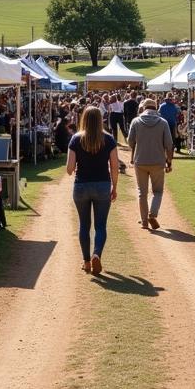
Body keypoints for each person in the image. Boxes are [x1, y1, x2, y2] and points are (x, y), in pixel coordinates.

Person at [66, 106, 119, 275]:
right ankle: (97, 253)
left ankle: (87, 262)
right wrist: (115, 186)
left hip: (81, 185)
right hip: (102, 184)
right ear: (100, 119)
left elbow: (69, 168)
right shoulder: (109, 139)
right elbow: (115, 166)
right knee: (101, 226)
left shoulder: (75, 139)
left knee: (84, 225)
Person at [127, 97, 173, 230]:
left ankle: (144, 221)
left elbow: (130, 141)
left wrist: (137, 148)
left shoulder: (136, 121)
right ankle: (152, 214)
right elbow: (169, 144)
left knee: (142, 192)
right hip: (158, 162)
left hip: (140, 161)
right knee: (157, 191)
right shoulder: (163, 122)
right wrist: (169, 162)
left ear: (144, 108)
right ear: (155, 108)